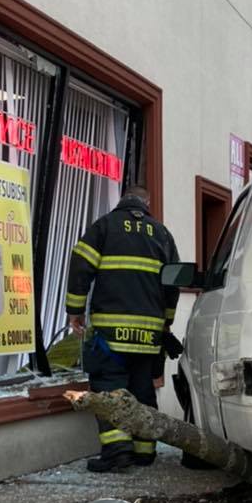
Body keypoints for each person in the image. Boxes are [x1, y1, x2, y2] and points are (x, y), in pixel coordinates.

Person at [65, 183, 179, 473]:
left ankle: (117, 453)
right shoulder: (162, 234)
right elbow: (173, 282)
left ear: (122, 200)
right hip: (148, 336)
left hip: (110, 336)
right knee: (143, 390)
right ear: (146, 203)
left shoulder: (105, 227)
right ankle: (144, 451)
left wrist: (75, 311)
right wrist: (166, 322)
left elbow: (80, 266)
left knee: (109, 389)